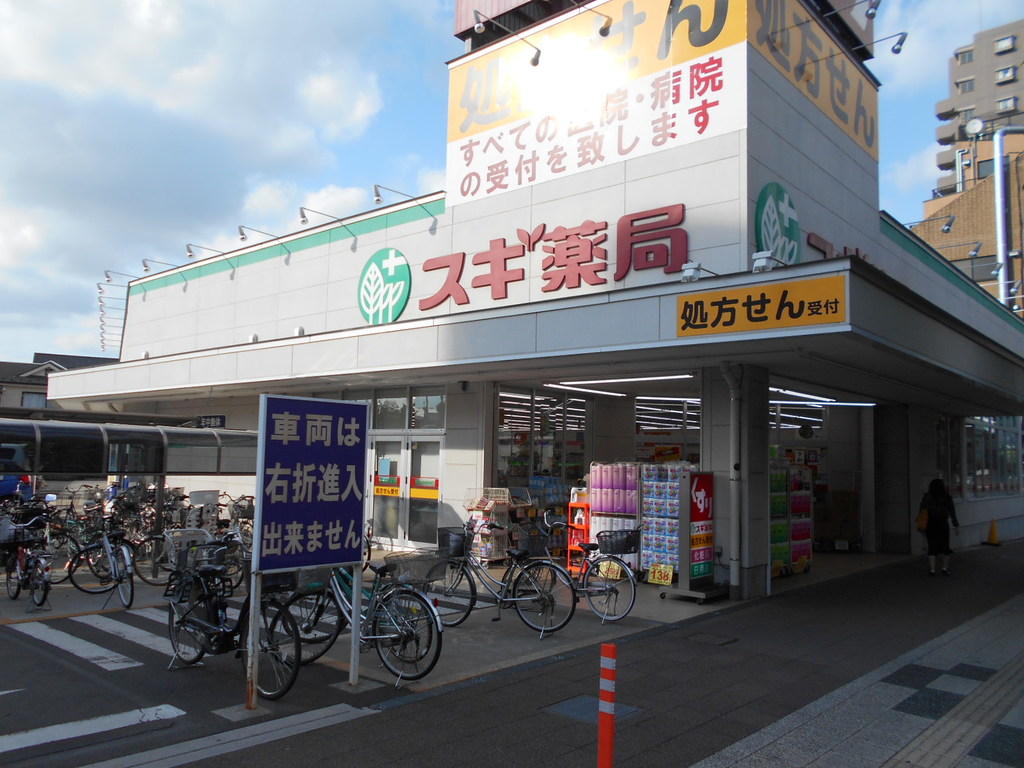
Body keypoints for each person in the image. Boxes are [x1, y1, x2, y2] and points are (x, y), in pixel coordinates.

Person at [919, 478, 959, 576]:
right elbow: (952, 512)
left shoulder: (927, 497)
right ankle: (944, 569)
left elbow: (922, 511)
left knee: (931, 546)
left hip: (930, 524)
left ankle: (932, 570)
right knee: (945, 546)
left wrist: (921, 525)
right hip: (943, 523)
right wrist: (956, 525)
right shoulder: (947, 497)